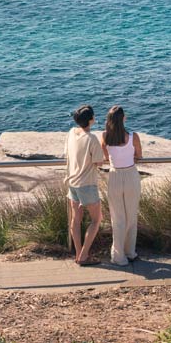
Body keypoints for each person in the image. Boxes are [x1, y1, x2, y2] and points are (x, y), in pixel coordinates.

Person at [101, 105, 142, 266]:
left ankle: (118, 257)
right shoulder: (133, 137)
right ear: (124, 118)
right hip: (131, 175)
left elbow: (106, 156)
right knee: (131, 215)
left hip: (114, 175)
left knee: (117, 218)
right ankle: (130, 252)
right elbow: (139, 155)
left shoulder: (104, 136)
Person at [66, 104, 105, 266]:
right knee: (96, 220)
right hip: (87, 184)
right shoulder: (92, 139)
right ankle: (83, 256)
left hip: (72, 182)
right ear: (91, 120)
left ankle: (78, 253)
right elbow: (99, 162)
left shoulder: (71, 133)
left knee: (76, 220)